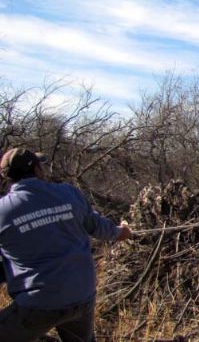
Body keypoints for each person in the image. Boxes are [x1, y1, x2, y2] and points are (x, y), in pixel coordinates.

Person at [0, 147, 131, 342]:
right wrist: (123, 232)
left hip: (38, 303)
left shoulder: (3, 211)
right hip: (82, 294)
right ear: (38, 170)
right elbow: (104, 229)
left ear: (7, 177)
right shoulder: (69, 193)